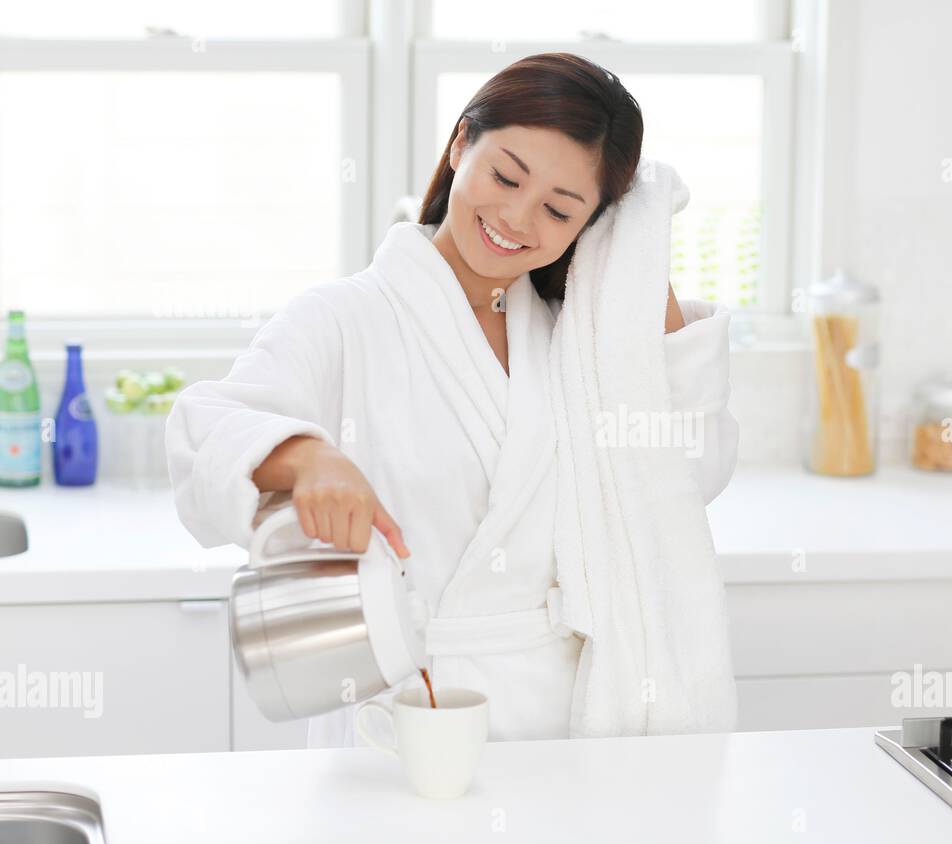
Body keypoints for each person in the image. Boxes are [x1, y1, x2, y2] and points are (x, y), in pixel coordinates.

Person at [166, 53, 739, 746]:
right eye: (505, 176)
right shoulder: (344, 317)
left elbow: (680, 483)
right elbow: (206, 428)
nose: (515, 218)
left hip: (550, 725)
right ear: (461, 142)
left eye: (559, 210)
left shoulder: (576, 346)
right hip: (401, 708)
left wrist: (637, 259)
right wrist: (305, 457)